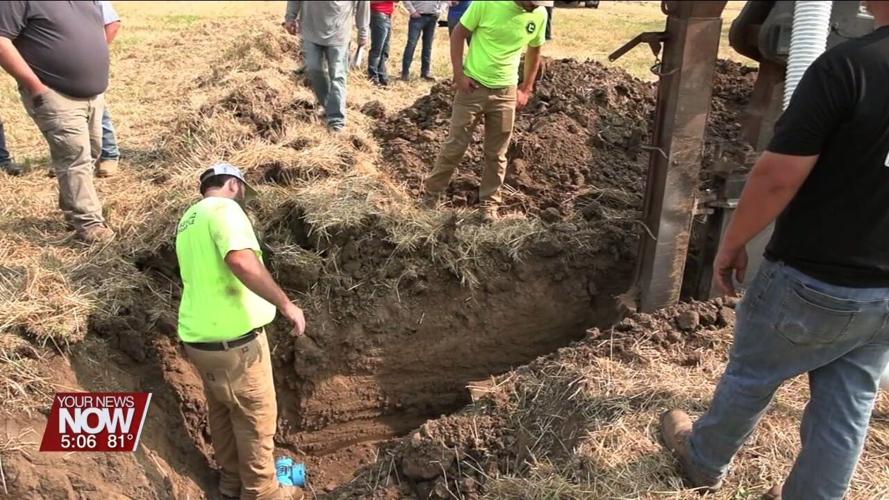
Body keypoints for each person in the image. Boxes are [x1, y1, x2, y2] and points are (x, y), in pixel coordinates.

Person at [660, 3, 889, 499]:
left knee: (753, 374)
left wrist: (734, 241)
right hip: (884, 293)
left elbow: (778, 176)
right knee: (851, 397)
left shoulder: (850, 66)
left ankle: (703, 461)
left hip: (815, 279)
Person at [176, 163, 307, 500]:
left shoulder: (189, 219)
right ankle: (262, 492)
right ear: (233, 185)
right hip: (234, 340)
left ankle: (231, 483)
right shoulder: (226, 210)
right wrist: (286, 304)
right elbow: (241, 261)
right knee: (255, 416)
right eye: (243, 190)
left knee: (224, 409)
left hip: (200, 338)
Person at [422, 0, 548, 221]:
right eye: (532, 2)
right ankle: (430, 197)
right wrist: (459, 75)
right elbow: (458, 34)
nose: (535, 7)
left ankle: (489, 205)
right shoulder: (487, 3)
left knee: (497, 153)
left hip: (506, 92)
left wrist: (526, 88)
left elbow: (534, 49)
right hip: (473, 88)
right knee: (455, 146)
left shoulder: (539, 14)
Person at [0, 1, 113, 243]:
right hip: (54, 93)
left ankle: (72, 210)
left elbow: (105, 25)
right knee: (75, 158)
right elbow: (1, 41)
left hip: (93, 95)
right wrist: (36, 87)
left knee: (91, 152)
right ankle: (89, 224)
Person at [284, 1, 370, 132]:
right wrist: (290, 18)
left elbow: (363, 4)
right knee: (314, 69)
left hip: (339, 33)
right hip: (310, 30)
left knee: (337, 76)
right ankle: (328, 105)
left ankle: (336, 120)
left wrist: (363, 30)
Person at [97, 1, 121, 177]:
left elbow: (112, 23)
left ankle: (109, 154)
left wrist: (95, 53)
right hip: (51, 68)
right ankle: (70, 158)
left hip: (86, 65)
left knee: (98, 109)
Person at [401, 1, 444, 81]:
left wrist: (440, 10)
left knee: (428, 46)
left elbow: (444, 2)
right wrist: (412, 11)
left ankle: (425, 72)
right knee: (411, 44)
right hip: (417, 17)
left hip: (432, 18)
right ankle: (405, 73)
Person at [368, 1, 396, 86]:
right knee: (377, 48)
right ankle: (373, 77)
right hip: (378, 14)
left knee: (385, 49)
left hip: (387, 15)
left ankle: (382, 75)